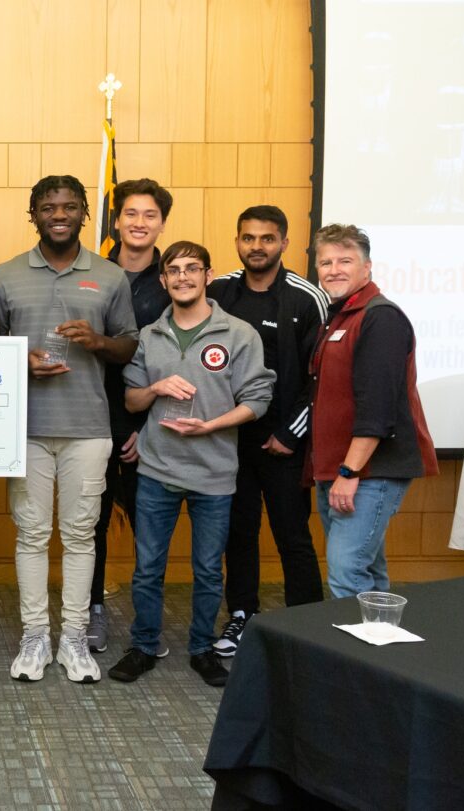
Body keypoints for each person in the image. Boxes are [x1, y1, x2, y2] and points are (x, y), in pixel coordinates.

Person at [0, 175, 138, 684]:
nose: (59, 213)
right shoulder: (5, 275)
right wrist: (19, 363)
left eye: (70, 206)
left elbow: (129, 346)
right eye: (48, 206)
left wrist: (97, 342)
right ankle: (34, 636)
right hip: (23, 430)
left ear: (84, 214)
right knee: (31, 535)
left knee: (79, 536)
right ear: (33, 213)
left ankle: (73, 637)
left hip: (89, 429)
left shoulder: (110, 275)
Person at [109, 241, 275, 688]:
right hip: (158, 471)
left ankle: (202, 648)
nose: (182, 277)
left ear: (207, 275)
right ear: (163, 281)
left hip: (215, 473)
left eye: (192, 269)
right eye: (174, 271)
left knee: (206, 569)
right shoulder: (149, 336)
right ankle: (143, 645)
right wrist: (158, 387)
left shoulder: (238, 334)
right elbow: (131, 397)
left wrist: (211, 426)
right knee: (148, 567)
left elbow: (258, 399)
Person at [207, 206, 327, 656]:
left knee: (292, 535)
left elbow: (321, 380)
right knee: (238, 533)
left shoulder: (305, 297)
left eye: (267, 239)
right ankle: (242, 615)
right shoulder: (219, 291)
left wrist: (292, 435)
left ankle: (310, 628)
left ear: (285, 243)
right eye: (248, 238)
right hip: (229, 440)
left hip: (283, 443)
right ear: (237, 241)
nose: (257, 246)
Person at [307, 224, 437, 598]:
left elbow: (377, 407)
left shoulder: (380, 318)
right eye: (325, 262)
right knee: (368, 570)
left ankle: (352, 656)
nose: (333, 269)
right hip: (340, 469)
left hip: (367, 471)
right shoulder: (340, 315)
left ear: (367, 268)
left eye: (345, 260)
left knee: (347, 573)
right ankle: (379, 651)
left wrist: (349, 471)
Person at [88, 178, 173, 655]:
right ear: (115, 220)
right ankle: (94, 609)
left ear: (162, 223)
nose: (139, 224)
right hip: (95, 416)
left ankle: (149, 619)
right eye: (131, 214)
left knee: (149, 526)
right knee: (92, 521)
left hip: (150, 423)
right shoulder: (93, 273)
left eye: (150, 216)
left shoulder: (174, 277)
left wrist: (147, 429)